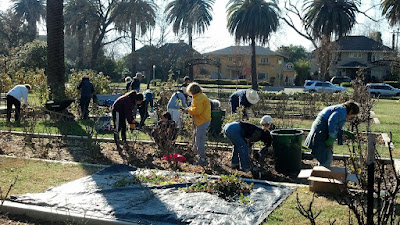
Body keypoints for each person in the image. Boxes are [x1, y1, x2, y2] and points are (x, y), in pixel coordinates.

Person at [305, 101, 359, 168]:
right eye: (352, 116)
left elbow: (334, 125)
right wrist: (331, 138)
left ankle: (321, 173)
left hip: (320, 131)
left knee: (324, 157)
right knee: (326, 158)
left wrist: (344, 132)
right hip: (321, 133)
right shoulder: (342, 112)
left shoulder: (340, 109)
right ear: (351, 111)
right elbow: (331, 121)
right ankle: (323, 175)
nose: (350, 118)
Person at [185, 82, 211, 166]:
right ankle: (199, 156)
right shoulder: (200, 96)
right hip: (203, 120)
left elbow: (197, 111)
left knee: (199, 141)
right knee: (198, 139)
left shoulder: (198, 98)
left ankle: (202, 159)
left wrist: (188, 110)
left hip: (202, 121)